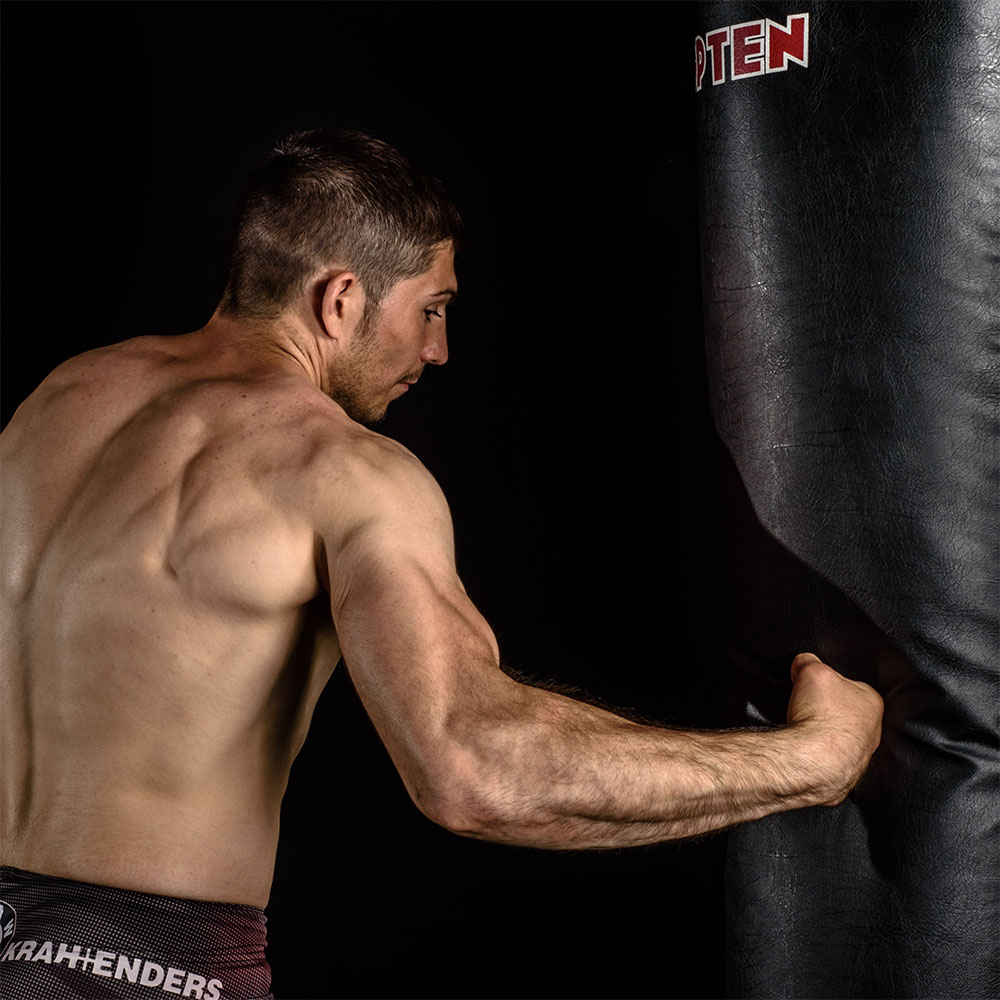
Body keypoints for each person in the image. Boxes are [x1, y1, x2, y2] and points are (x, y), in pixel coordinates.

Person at [0, 129, 883, 1000]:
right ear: (340, 299)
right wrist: (813, 759)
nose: (438, 350)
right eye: (431, 308)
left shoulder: (56, 403)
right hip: (155, 970)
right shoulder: (344, 471)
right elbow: (476, 769)